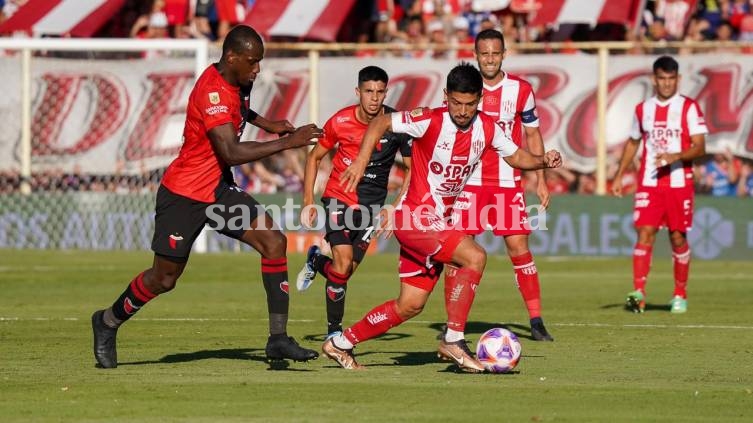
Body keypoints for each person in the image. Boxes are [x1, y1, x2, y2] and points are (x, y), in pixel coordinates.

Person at [90, 25, 322, 369]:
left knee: (274, 242)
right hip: (184, 194)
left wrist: (268, 123)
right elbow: (230, 150)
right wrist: (289, 141)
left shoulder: (239, 77)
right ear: (232, 58)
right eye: (253, 62)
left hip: (217, 190)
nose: (258, 69)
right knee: (164, 279)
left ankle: (278, 339)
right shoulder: (211, 91)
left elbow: (240, 110)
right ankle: (107, 321)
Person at [321, 63, 562, 371]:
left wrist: (542, 160)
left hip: (437, 221)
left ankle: (341, 343)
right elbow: (380, 122)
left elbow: (515, 155)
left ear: (479, 100)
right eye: (456, 102)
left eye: (470, 104)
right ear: (446, 96)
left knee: (410, 305)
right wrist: (361, 161)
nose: (462, 110)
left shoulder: (487, 127)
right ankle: (454, 338)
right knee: (474, 257)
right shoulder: (428, 119)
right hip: (414, 217)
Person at [452, 28, 554, 341]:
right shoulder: (465, 88)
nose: (490, 59)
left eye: (496, 53)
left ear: (504, 54)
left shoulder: (521, 90)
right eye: (485, 54)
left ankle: (535, 321)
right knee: (456, 252)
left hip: (508, 183)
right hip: (469, 183)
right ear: (475, 55)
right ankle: (454, 323)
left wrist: (541, 179)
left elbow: (533, 135)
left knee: (519, 249)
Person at [296, 66, 413, 338]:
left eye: (380, 92)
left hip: (372, 207)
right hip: (339, 197)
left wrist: (395, 207)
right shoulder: (340, 121)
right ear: (357, 92)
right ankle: (334, 334)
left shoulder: (398, 124)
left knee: (343, 272)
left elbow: (412, 168)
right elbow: (314, 157)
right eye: (368, 91)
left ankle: (315, 261)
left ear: (386, 92)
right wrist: (307, 201)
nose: (374, 98)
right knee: (343, 260)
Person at [612, 55, 708, 314]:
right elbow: (633, 142)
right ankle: (638, 293)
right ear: (654, 80)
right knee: (645, 232)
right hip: (649, 182)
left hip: (679, 184)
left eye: (671, 79)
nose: (666, 84)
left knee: (677, 237)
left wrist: (675, 156)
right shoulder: (643, 109)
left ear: (678, 79)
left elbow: (700, 147)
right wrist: (620, 175)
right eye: (662, 79)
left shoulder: (689, 108)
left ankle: (680, 294)